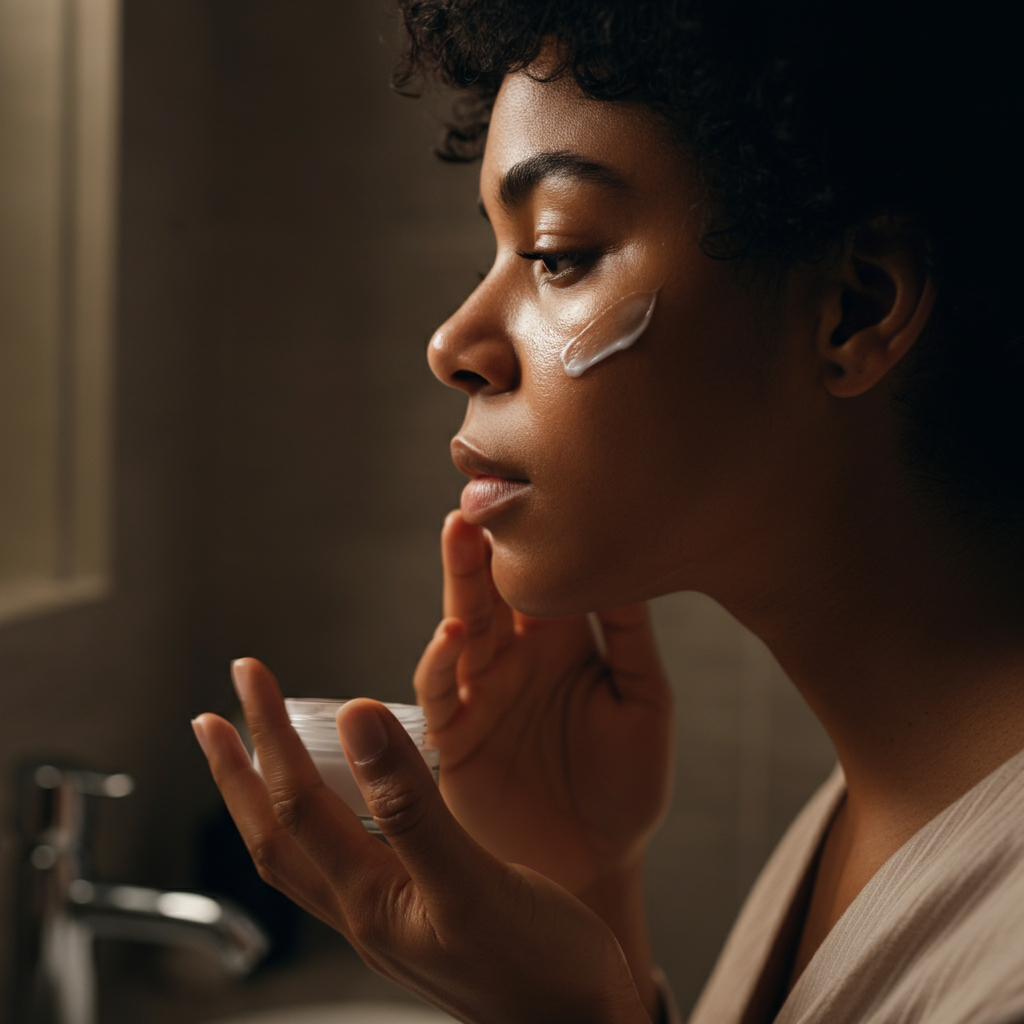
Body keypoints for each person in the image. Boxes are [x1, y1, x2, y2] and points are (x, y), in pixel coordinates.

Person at [191, 1, 1024, 1021]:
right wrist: (586, 885)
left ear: (854, 306)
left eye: (555, 254)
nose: (452, 342)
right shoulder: (884, 796)